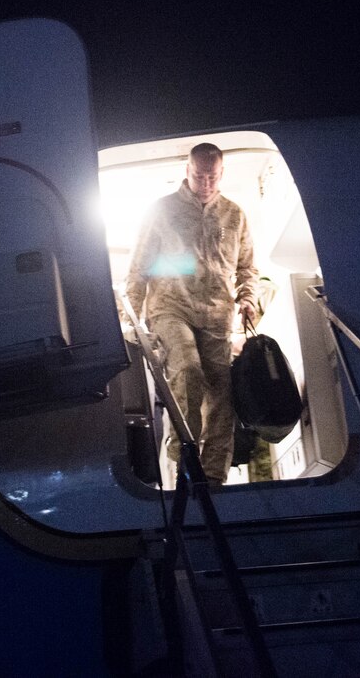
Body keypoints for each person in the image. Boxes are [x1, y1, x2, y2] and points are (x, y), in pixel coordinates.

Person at [125, 143, 259, 485]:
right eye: (199, 175)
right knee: (188, 372)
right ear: (187, 171)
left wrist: (248, 300)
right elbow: (138, 269)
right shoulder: (161, 211)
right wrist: (130, 322)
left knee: (221, 396)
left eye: (212, 176)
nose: (205, 182)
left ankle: (214, 478)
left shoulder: (235, 215)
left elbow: (247, 269)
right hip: (170, 308)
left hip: (217, 317)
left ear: (221, 174)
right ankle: (183, 462)